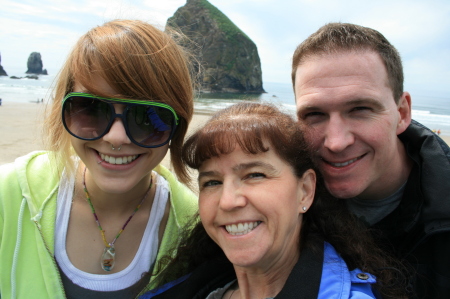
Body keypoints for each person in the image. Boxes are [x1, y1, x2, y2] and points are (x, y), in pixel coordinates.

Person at [0, 20, 198, 298]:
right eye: (90, 108)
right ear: (63, 108)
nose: (116, 138)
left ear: (178, 125)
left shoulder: (196, 229)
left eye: (147, 117)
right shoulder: (8, 196)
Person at [139, 102, 410, 299]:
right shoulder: (186, 289)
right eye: (212, 182)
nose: (228, 201)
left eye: (254, 174)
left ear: (304, 191)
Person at [292, 22, 450, 298]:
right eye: (314, 114)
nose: (336, 142)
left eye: (360, 109)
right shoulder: (285, 199)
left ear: (402, 113)